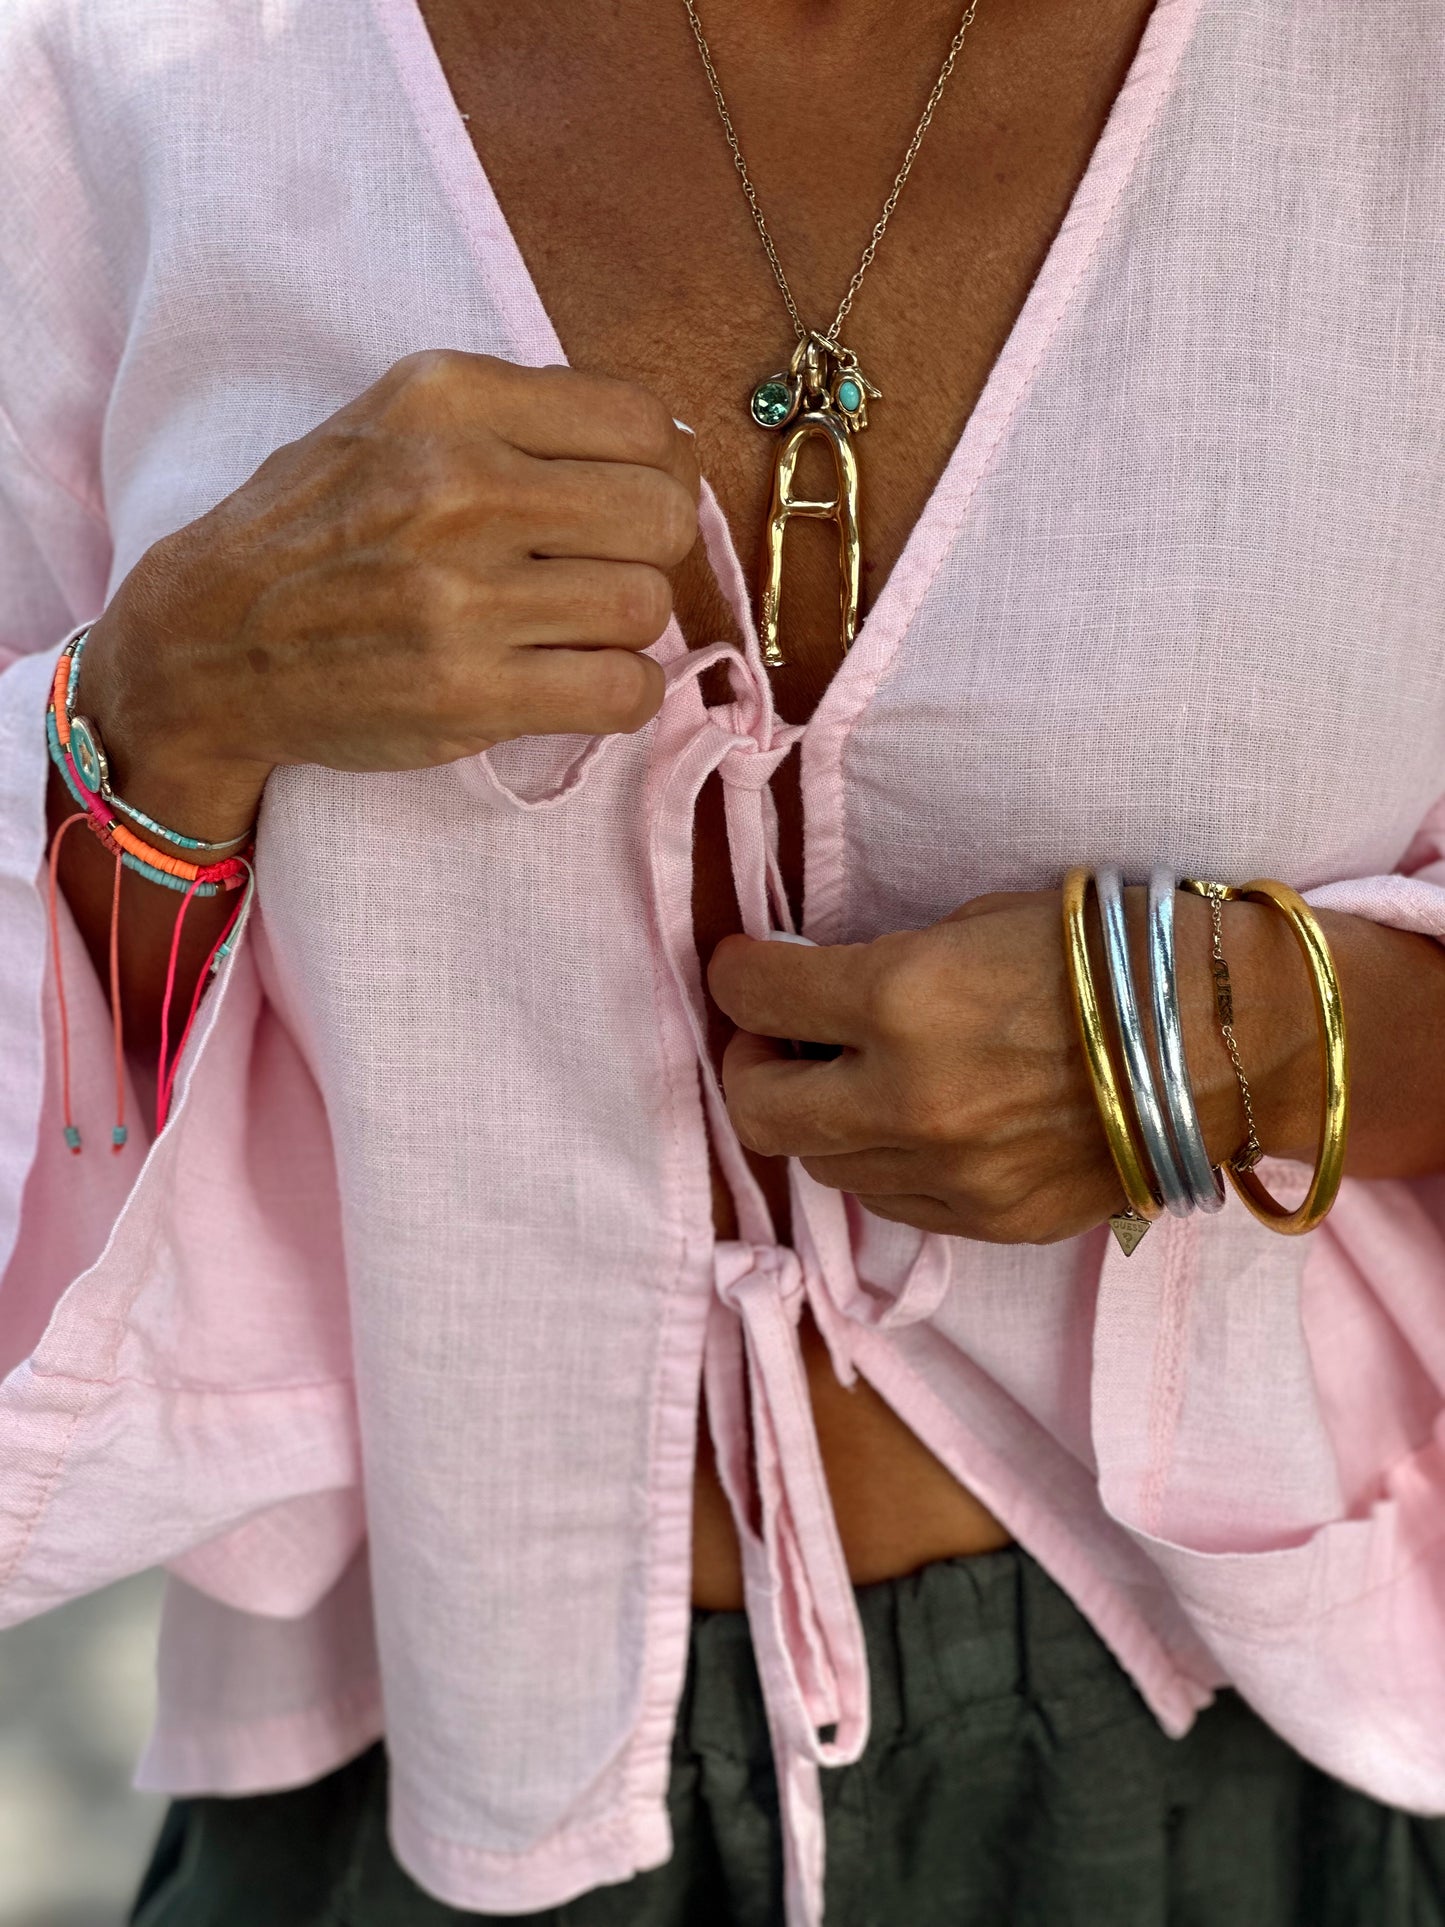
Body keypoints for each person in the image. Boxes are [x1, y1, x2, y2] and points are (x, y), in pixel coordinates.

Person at [3, 0, 1445, 1921]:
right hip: (434, 1759)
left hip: (1258, 1752)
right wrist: (158, 703)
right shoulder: (119, 63)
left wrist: (1269, 1045)